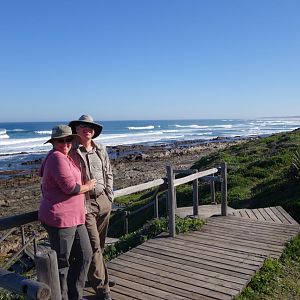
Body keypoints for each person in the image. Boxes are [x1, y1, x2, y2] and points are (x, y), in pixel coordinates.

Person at [38, 125, 96, 300]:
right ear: (53, 142)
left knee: (86, 254)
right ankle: (62, 297)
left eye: (68, 139)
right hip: (61, 219)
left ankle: (74, 295)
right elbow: (70, 187)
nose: (65, 143)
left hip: (75, 217)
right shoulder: (57, 158)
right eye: (60, 140)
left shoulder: (64, 156)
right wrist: (89, 186)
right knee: (62, 264)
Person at [68, 115, 114, 300]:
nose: (88, 128)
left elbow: (108, 171)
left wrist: (109, 195)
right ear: (76, 129)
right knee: (94, 246)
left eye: (91, 126)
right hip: (85, 204)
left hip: (103, 201)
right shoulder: (70, 149)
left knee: (100, 245)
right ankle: (103, 290)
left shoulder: (100, 149)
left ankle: (96, 277)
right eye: (83, 126)